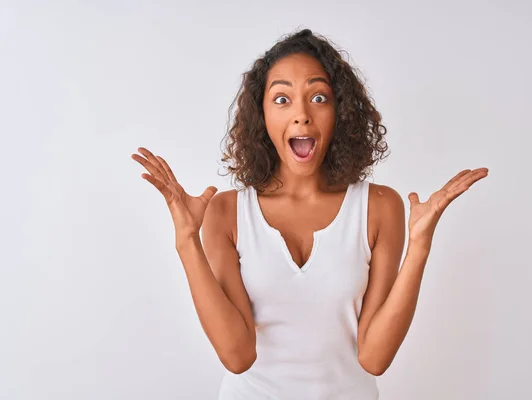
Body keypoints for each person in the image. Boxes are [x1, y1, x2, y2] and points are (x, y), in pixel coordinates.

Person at [131, 28, 488, 400]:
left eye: (318, 97)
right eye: (282, 99)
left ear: (340, 111)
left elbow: (374, 358)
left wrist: (419, 247)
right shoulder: (227, 212)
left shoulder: (380, 206)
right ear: (262, 115)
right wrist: (188, 241)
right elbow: (237, 356)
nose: (301, 115)